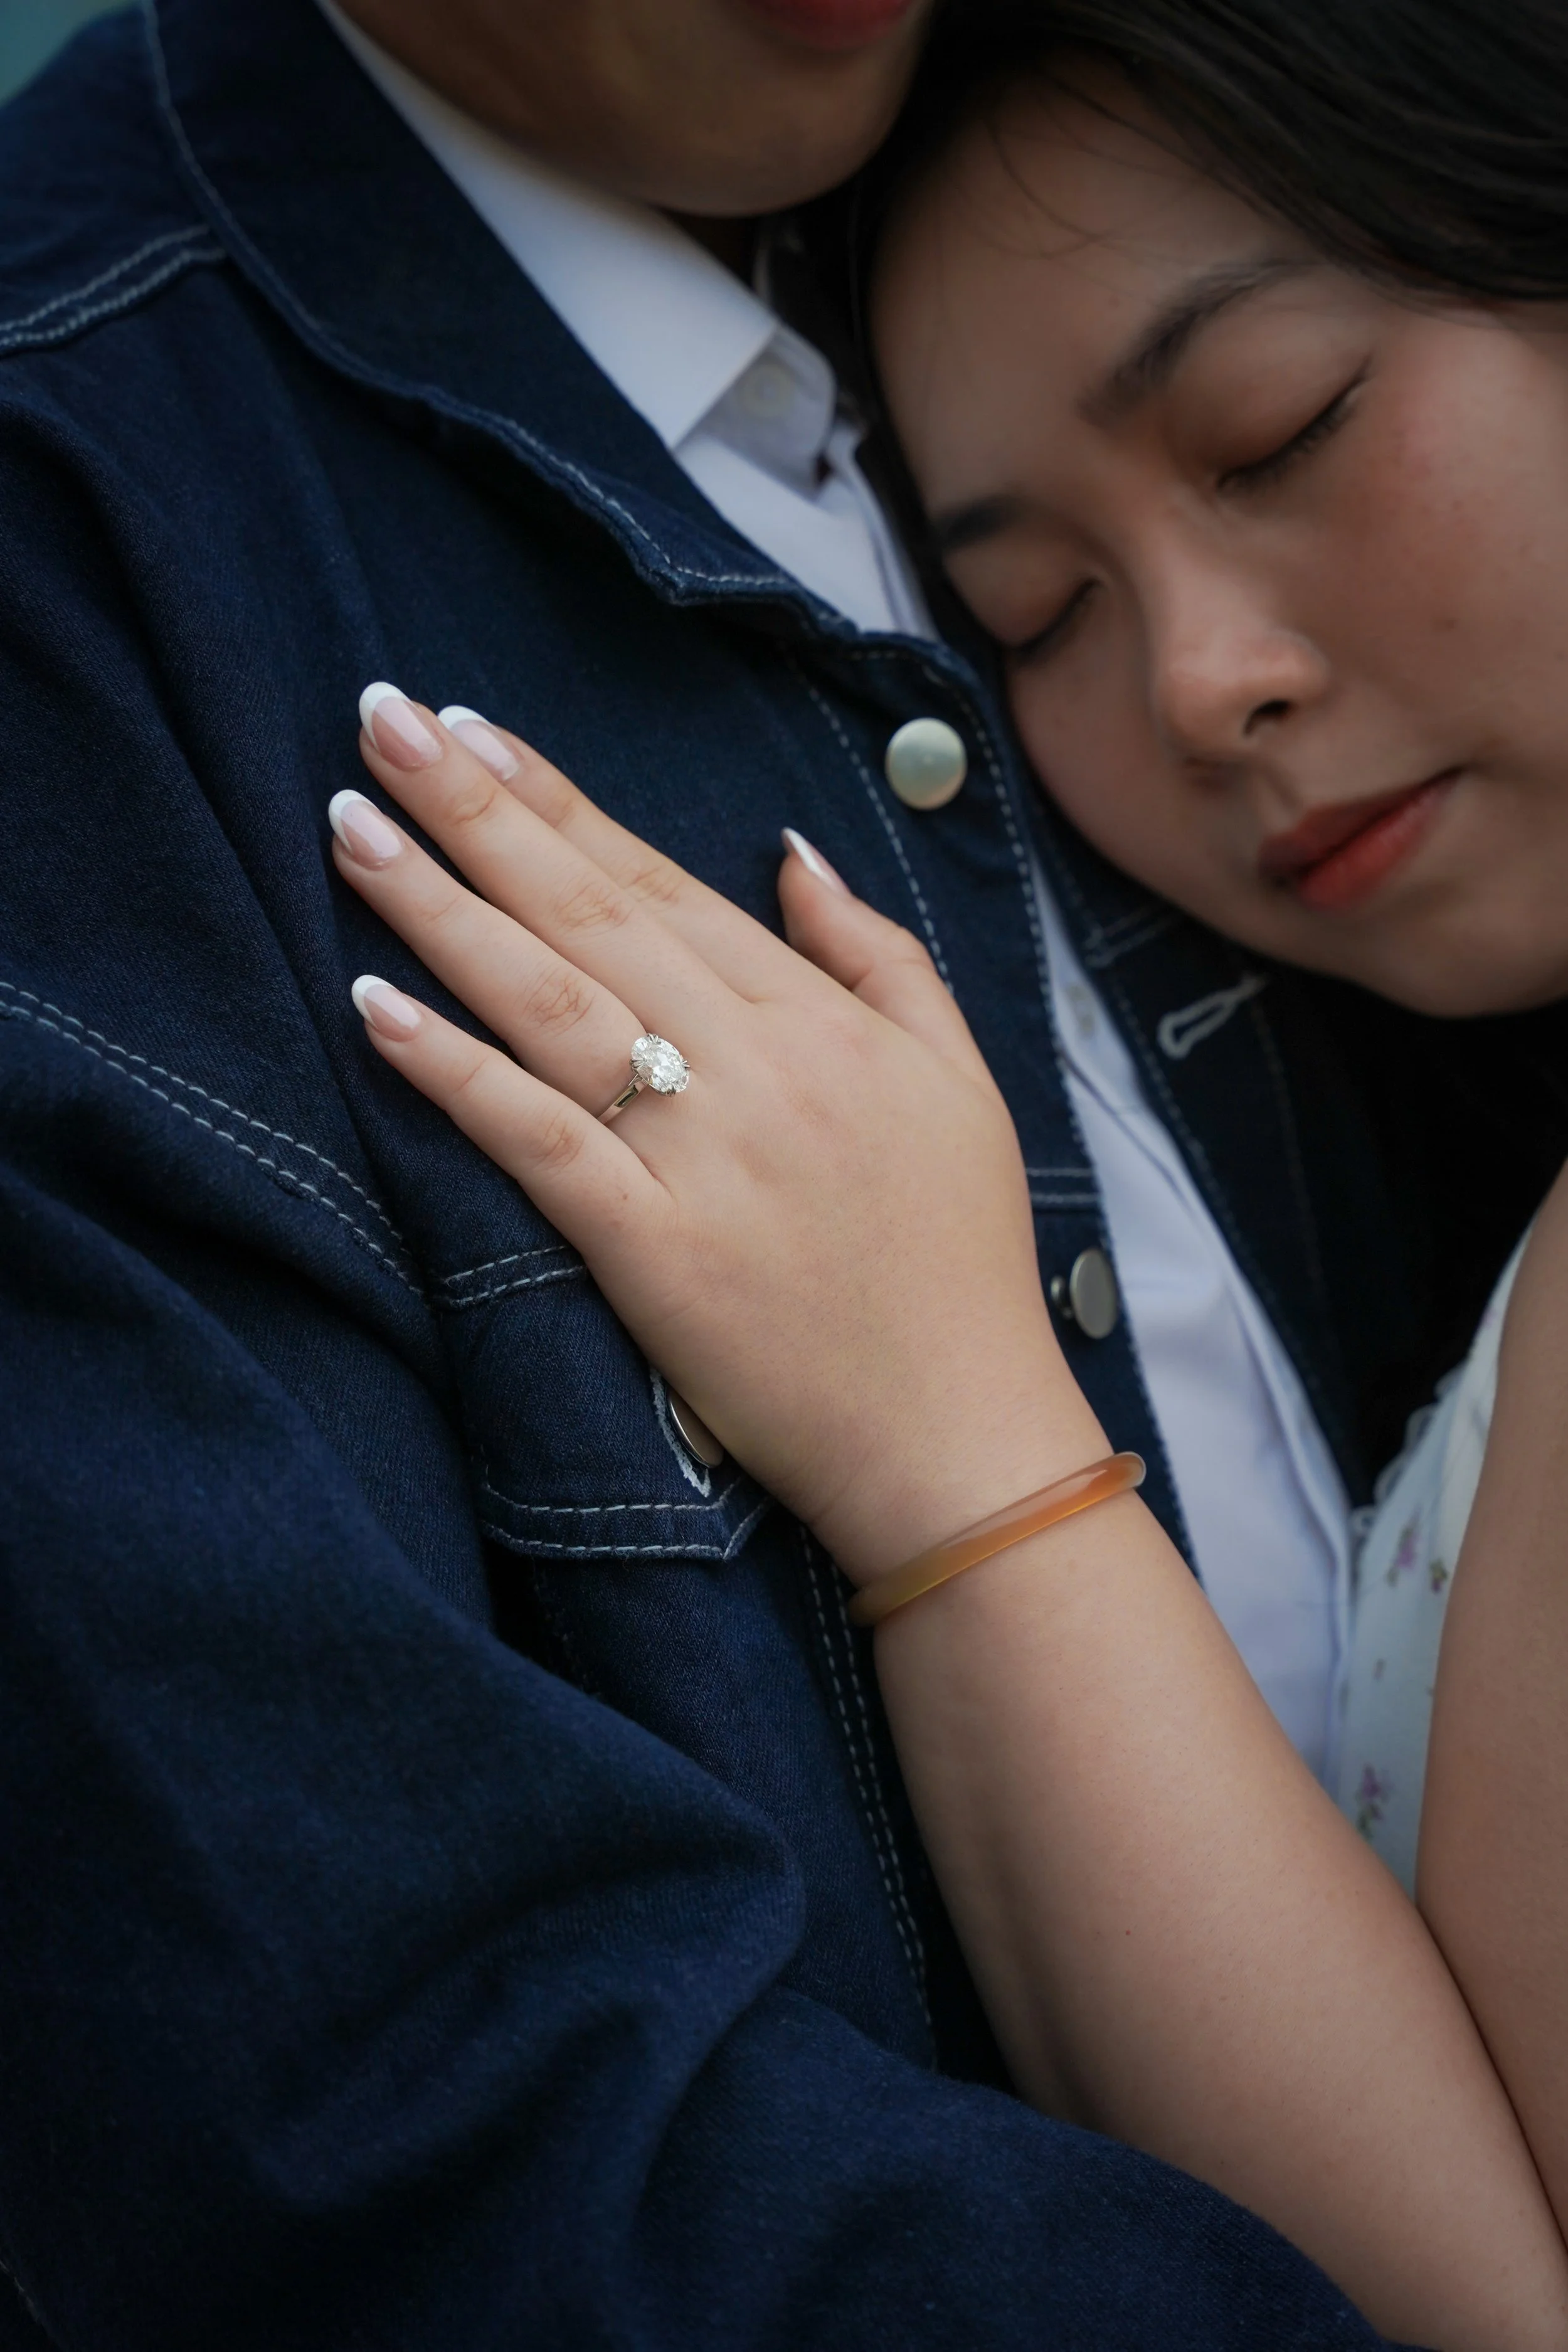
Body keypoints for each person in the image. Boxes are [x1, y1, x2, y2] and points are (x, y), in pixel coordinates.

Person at [0, 0, 1539, 2343]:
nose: (1210, 679)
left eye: (1284, 428)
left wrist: (964, 1466)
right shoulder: (95, 556)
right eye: (1027, 615)